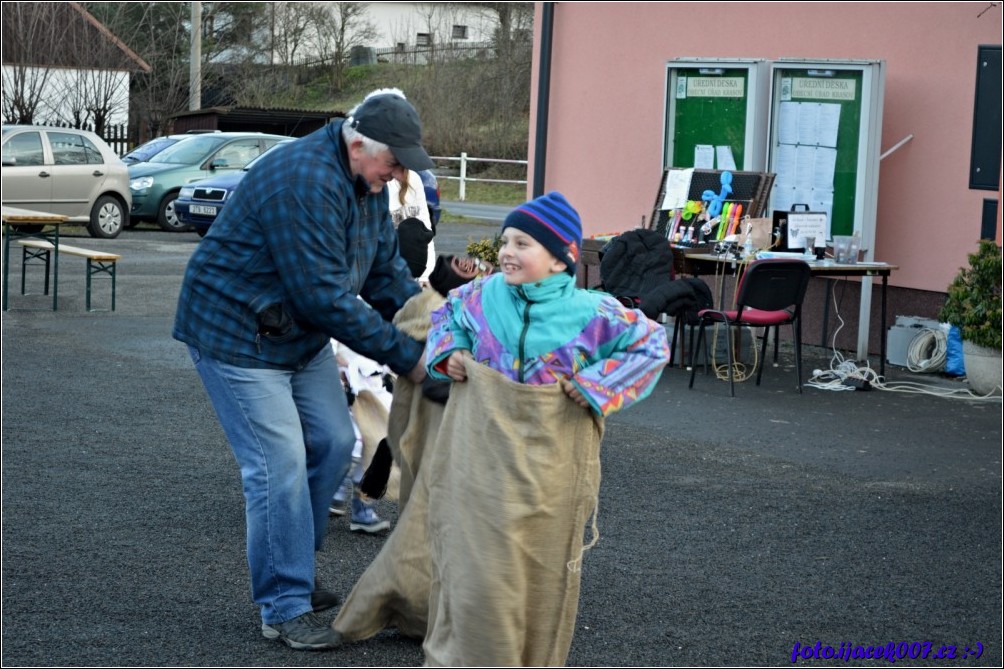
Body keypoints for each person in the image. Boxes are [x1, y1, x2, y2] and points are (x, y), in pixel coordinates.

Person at [171, 87, 434, 651]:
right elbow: (321, 297)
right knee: (277, 464)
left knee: (335, 441)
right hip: (236, 334)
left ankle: (295, 568)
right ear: (359, 142)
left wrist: (433, 327)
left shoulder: (365, 181)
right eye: (394, 162)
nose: (397, 174)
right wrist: (409, 358)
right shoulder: (304, 181)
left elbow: (385, 272)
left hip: (294, 332)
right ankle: (283, 604)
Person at [421, 191, 671, 666]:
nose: (508, 252)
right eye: (506, 241)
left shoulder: (591, 313)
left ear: (561, 261)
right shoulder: (481, 294)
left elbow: (652, 345)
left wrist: (599, 384)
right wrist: (449, 351)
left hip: (546, 470)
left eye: (524, 244)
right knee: (475, 562)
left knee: (531, 565)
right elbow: (445, 313)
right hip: (482, 457)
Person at [387, 167, 436, 283]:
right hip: (388, 269)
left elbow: (425, 231)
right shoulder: (380, 182)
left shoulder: (414, 178)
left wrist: (427, 275)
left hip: (416, 267)